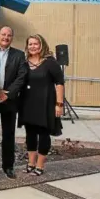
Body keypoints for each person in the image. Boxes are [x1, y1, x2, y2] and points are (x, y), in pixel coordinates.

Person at [0, 26, 27, 179]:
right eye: (3, 34)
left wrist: (7, 94)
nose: (6, 37)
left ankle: (8, 166)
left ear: (12, 38)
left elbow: (22, 77)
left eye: (9, 35)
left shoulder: (19, 55)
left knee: (8, 135)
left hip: (9, 101)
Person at [19, 34, 64, 176]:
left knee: (44, 134)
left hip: (46, 104)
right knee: (30, 135)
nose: (33, 46)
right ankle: (31, 163)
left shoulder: (50, 62)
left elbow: (59, 83)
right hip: (28, 104)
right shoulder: (25, 62)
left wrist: (59, 104)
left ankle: (40, 165)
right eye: (30, 44)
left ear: (42, 45)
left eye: (35, 44)